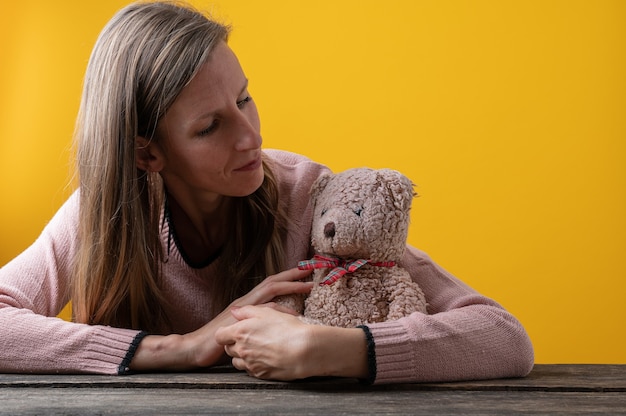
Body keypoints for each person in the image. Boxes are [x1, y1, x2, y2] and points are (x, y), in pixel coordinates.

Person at [0, 1, 533, 384]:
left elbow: (503, 336)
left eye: (245, 98)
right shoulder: (106, 214)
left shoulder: (313, 199)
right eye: (210, 127)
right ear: (147, 154)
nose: (251, 136)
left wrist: (339, 350)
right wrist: (180, 349)